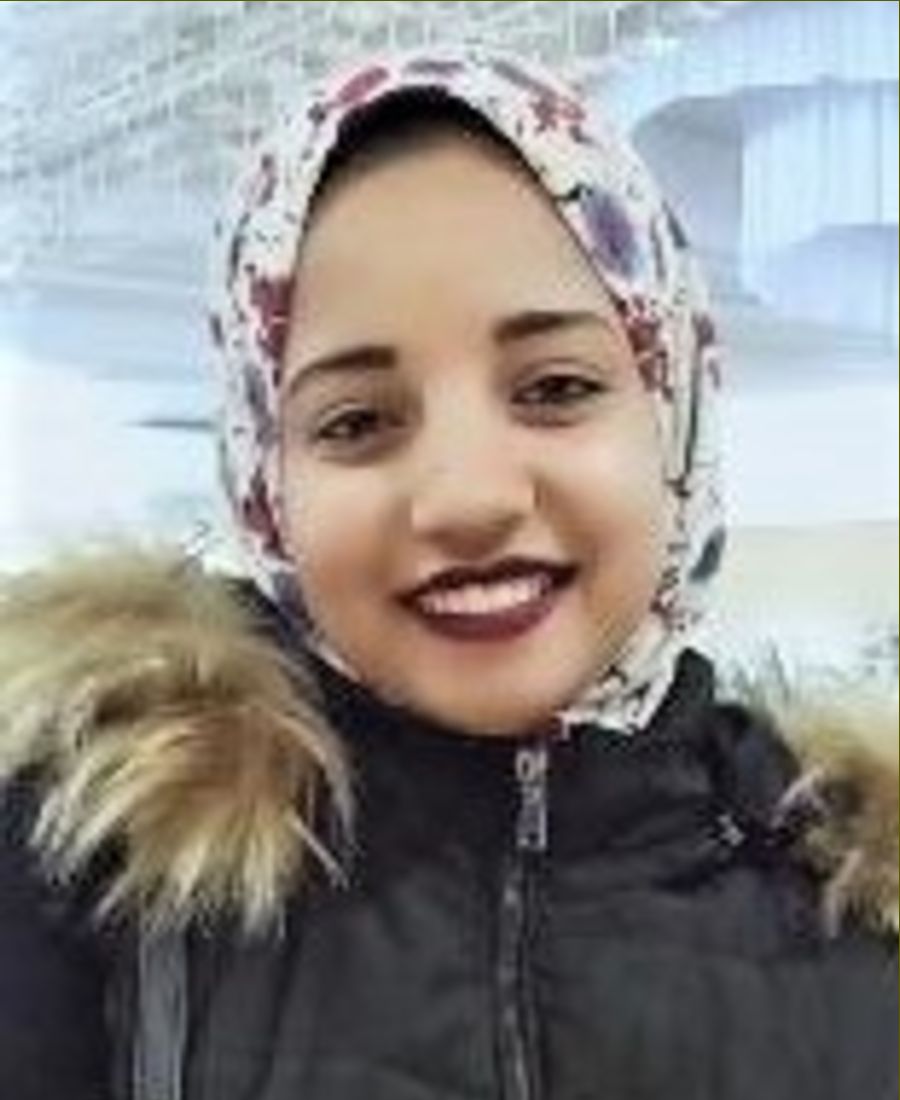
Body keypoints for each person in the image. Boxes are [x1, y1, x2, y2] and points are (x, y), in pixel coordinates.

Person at [0, 49, 896, 1100]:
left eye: (555, 388)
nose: (468, 497)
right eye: (357, 422)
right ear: (266, 479)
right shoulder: (92, 868)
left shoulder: (864, 911)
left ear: (674, 410)